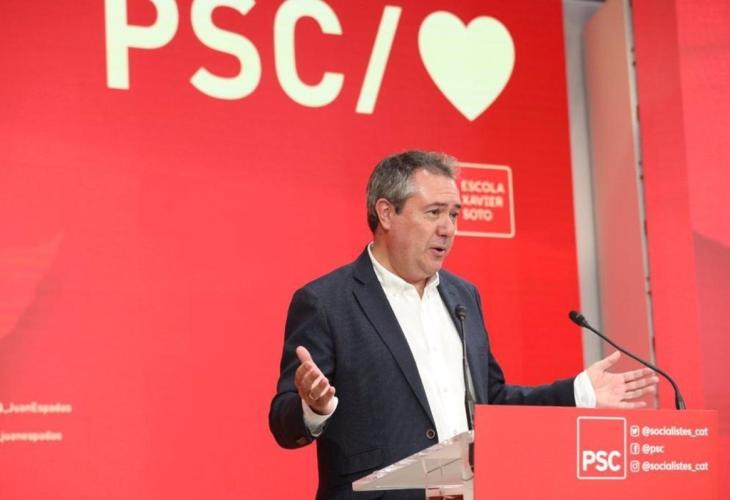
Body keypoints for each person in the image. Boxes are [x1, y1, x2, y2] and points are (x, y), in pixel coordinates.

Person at [269, 150, 658, 499]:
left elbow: (492, 402)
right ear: (386, 213)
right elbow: (283, 424)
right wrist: (313, 408)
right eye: (434, 212)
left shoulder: (463, 296)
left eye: (453, 214)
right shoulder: (327, 302)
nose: (448, 228)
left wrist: (577, 392)